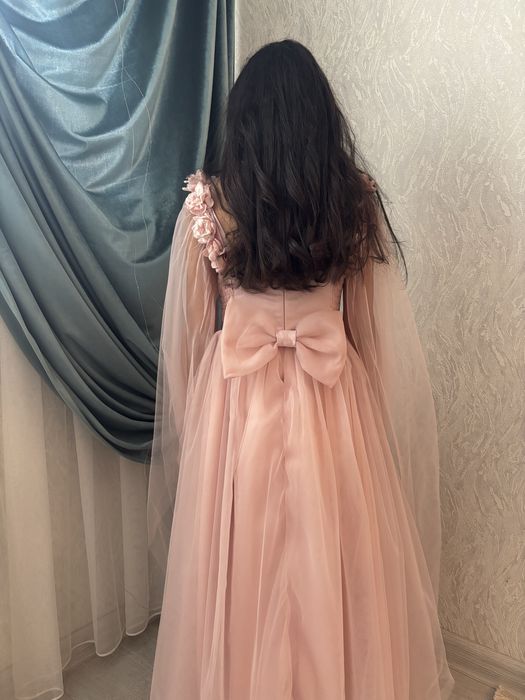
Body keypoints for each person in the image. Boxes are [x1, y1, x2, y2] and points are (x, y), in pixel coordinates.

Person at [146, 38, 456, 700]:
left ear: (243, 122)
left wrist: (196, 427)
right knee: (331, 563)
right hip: (332, 403)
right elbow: (370, 337)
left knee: (240, 567)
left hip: (237, 408)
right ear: (321, 121)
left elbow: (189, 344)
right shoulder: (352, 203)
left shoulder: (208, 206)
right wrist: (371, 427)